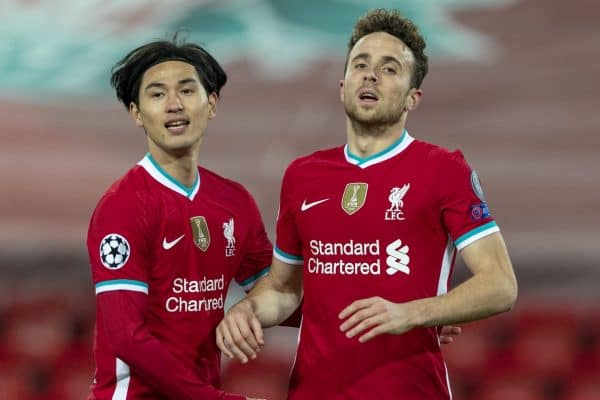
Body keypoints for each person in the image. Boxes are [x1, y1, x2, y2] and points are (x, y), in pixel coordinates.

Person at [216, 8, 518, 399]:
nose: (371, 74)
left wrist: (413, 314)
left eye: (390, 68)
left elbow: (501, 286)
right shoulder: (302, 175)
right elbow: (283, 289)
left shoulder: (443, 169)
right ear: (343, 85)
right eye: (361, 64)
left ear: (413, 98)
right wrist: (248, 310)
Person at [86, 36, 271, 400]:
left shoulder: (234, 202)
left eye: (187, 90)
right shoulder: (122, 206)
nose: (173, 104)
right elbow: (128, 337)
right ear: (137, 113)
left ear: (212, 103)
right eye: (156, 95)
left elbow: (278, 290)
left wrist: (248, 307)